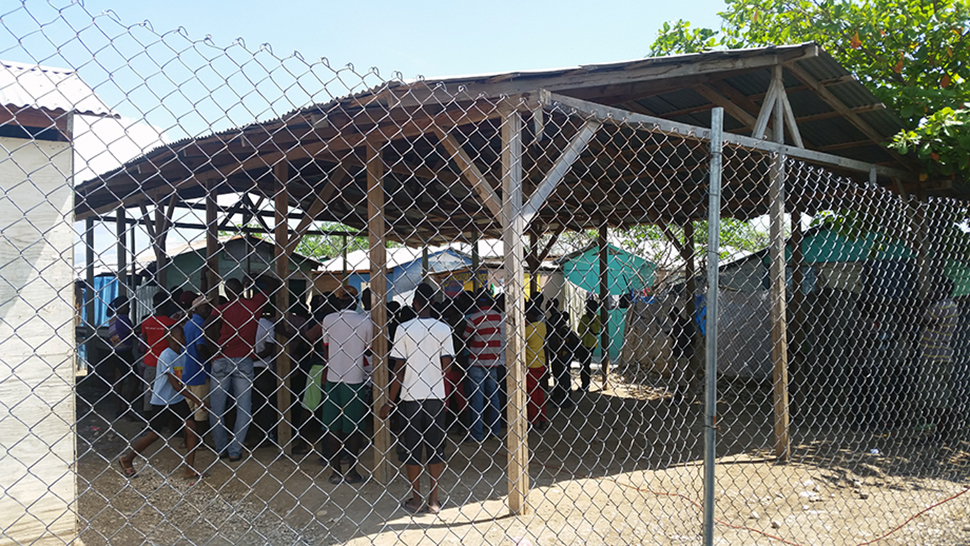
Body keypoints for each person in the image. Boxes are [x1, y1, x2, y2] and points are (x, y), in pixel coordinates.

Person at [380, 283, 454, 515]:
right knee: (435, 448)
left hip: (410, 398)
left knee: (412, 449)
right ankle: (434, 500)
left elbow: (398, 370)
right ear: (432, 302)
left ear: (414, 304)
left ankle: (416, 499)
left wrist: (390, 403)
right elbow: (447, 366)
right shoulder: (444, 329)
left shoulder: (403, 328)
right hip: (435, 396)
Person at [118, 324, 208, 480]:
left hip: (177, 399)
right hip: (162, 400)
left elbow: (180, 382)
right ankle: (127, 459)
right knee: (153, 435)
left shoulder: (182, 354)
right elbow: (174, 384)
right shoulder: (166, 355)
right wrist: (197, 400)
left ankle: (189, 470)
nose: (184, 339)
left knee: (191, 429)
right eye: (181, 336)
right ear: (171, 337)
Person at [205, 275, 274, 463]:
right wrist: (254, 278)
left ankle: (221, 448)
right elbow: (273, 285)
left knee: (217, 407)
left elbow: (206, 326)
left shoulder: (222, 308)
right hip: (244, 359)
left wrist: (214, 349)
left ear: (226, 292)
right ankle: (235, 450)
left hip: (222, 358)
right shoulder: (253, 305)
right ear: (242, 290)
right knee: (244, 407)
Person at [318, 285, 374, 484]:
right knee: (354, 426)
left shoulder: (328, 320)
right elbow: (369, 351)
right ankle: (351, 470)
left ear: (338, 300)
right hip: (355, 379)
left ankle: (335, 471)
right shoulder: (365, 322)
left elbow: (326, 349)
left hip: (333, 377)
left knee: (332, 425)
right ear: (356, 300)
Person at [917, 276, 959, 444]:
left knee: (936, 397)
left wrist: (926, 300)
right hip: (944, 355)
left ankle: (940, 434)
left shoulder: (940, 306)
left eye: (934, 288)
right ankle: (946, 432)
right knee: (944, 396)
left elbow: (920, 318)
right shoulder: (952, 305)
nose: (931, 291)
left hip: (932, 356)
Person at [464, 291, 505, 442]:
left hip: (476, 361)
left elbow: (465, 337)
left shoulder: (474, 318)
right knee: (494, 397)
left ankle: (478, 434)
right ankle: (495, 430)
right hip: (493, 361)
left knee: (477, 399)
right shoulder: (499, 318)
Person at [139, 291, 177, 415]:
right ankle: (165, 419)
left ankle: (148, 418)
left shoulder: (146, 322)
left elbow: (144, 340)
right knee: (167, 389)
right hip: (167, 362)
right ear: (168, 304)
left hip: (150, 359)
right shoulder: (171, 323)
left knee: (149, 390)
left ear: (154, 304)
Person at [248, 304, 278, 448]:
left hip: (245, 368)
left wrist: (247, 358)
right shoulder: (268, 325)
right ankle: (265, 435)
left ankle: (249, 434)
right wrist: (254, 357)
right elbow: (268, 349)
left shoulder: (245, 323)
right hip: (263, 368)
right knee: (266, 404)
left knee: (248, 403)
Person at [182, 296, 212, 439]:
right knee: (201, 408)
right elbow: (201, 346)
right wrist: (211, 360)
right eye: (205, 306)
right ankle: (200, 440)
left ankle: (188, 439)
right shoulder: (201, 324)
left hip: (187, 371)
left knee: (189, 408)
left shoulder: (188, 324)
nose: (209, 309)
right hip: (200, 372)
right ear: (196, 309)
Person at [106, 297, 136, 419]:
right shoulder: (124, 319)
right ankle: (126, 408)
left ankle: (118, 409)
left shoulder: (112, 320)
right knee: (134, 380)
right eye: (126, 305)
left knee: (119, 381)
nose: (129, 308)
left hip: (116, 352)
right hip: (126, 353)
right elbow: (132, 333)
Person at [525, 302, 549, 431]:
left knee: (531, 395)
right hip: (540, 362)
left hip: (530, 364)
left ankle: (532, 420)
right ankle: (542, 418)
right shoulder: (542, 326)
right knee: (539, 393)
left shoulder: (527, 330)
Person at [545, 298, 573, 407]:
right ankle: (558, 395)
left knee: (563, 375)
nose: (546, 305)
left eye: (548, 303)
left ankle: (566, 399)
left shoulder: (556, 318)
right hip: (556, 350)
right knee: (558, 374)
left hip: (562, 352)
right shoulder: (554, 317)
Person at [670, 302, 696, 405]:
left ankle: (679, 397)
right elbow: (674, 336)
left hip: (683, 353)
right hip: (677, 352)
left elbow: (692, 339)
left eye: (672, 316)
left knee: (680, 376)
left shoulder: (685, 324)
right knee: (676, 376)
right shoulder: (676, 325)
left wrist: (688, 348)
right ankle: (676, 396)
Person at [577, 298, 602, 393]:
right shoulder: (584, 317)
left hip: (591, 344)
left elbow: (595, 330)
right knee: (582, 364)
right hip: (583, 343)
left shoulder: (597, 318)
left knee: (586, 365)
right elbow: (580, 330)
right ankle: (584, 384)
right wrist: (588, 327)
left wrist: (590, 322)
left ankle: (586, 385)